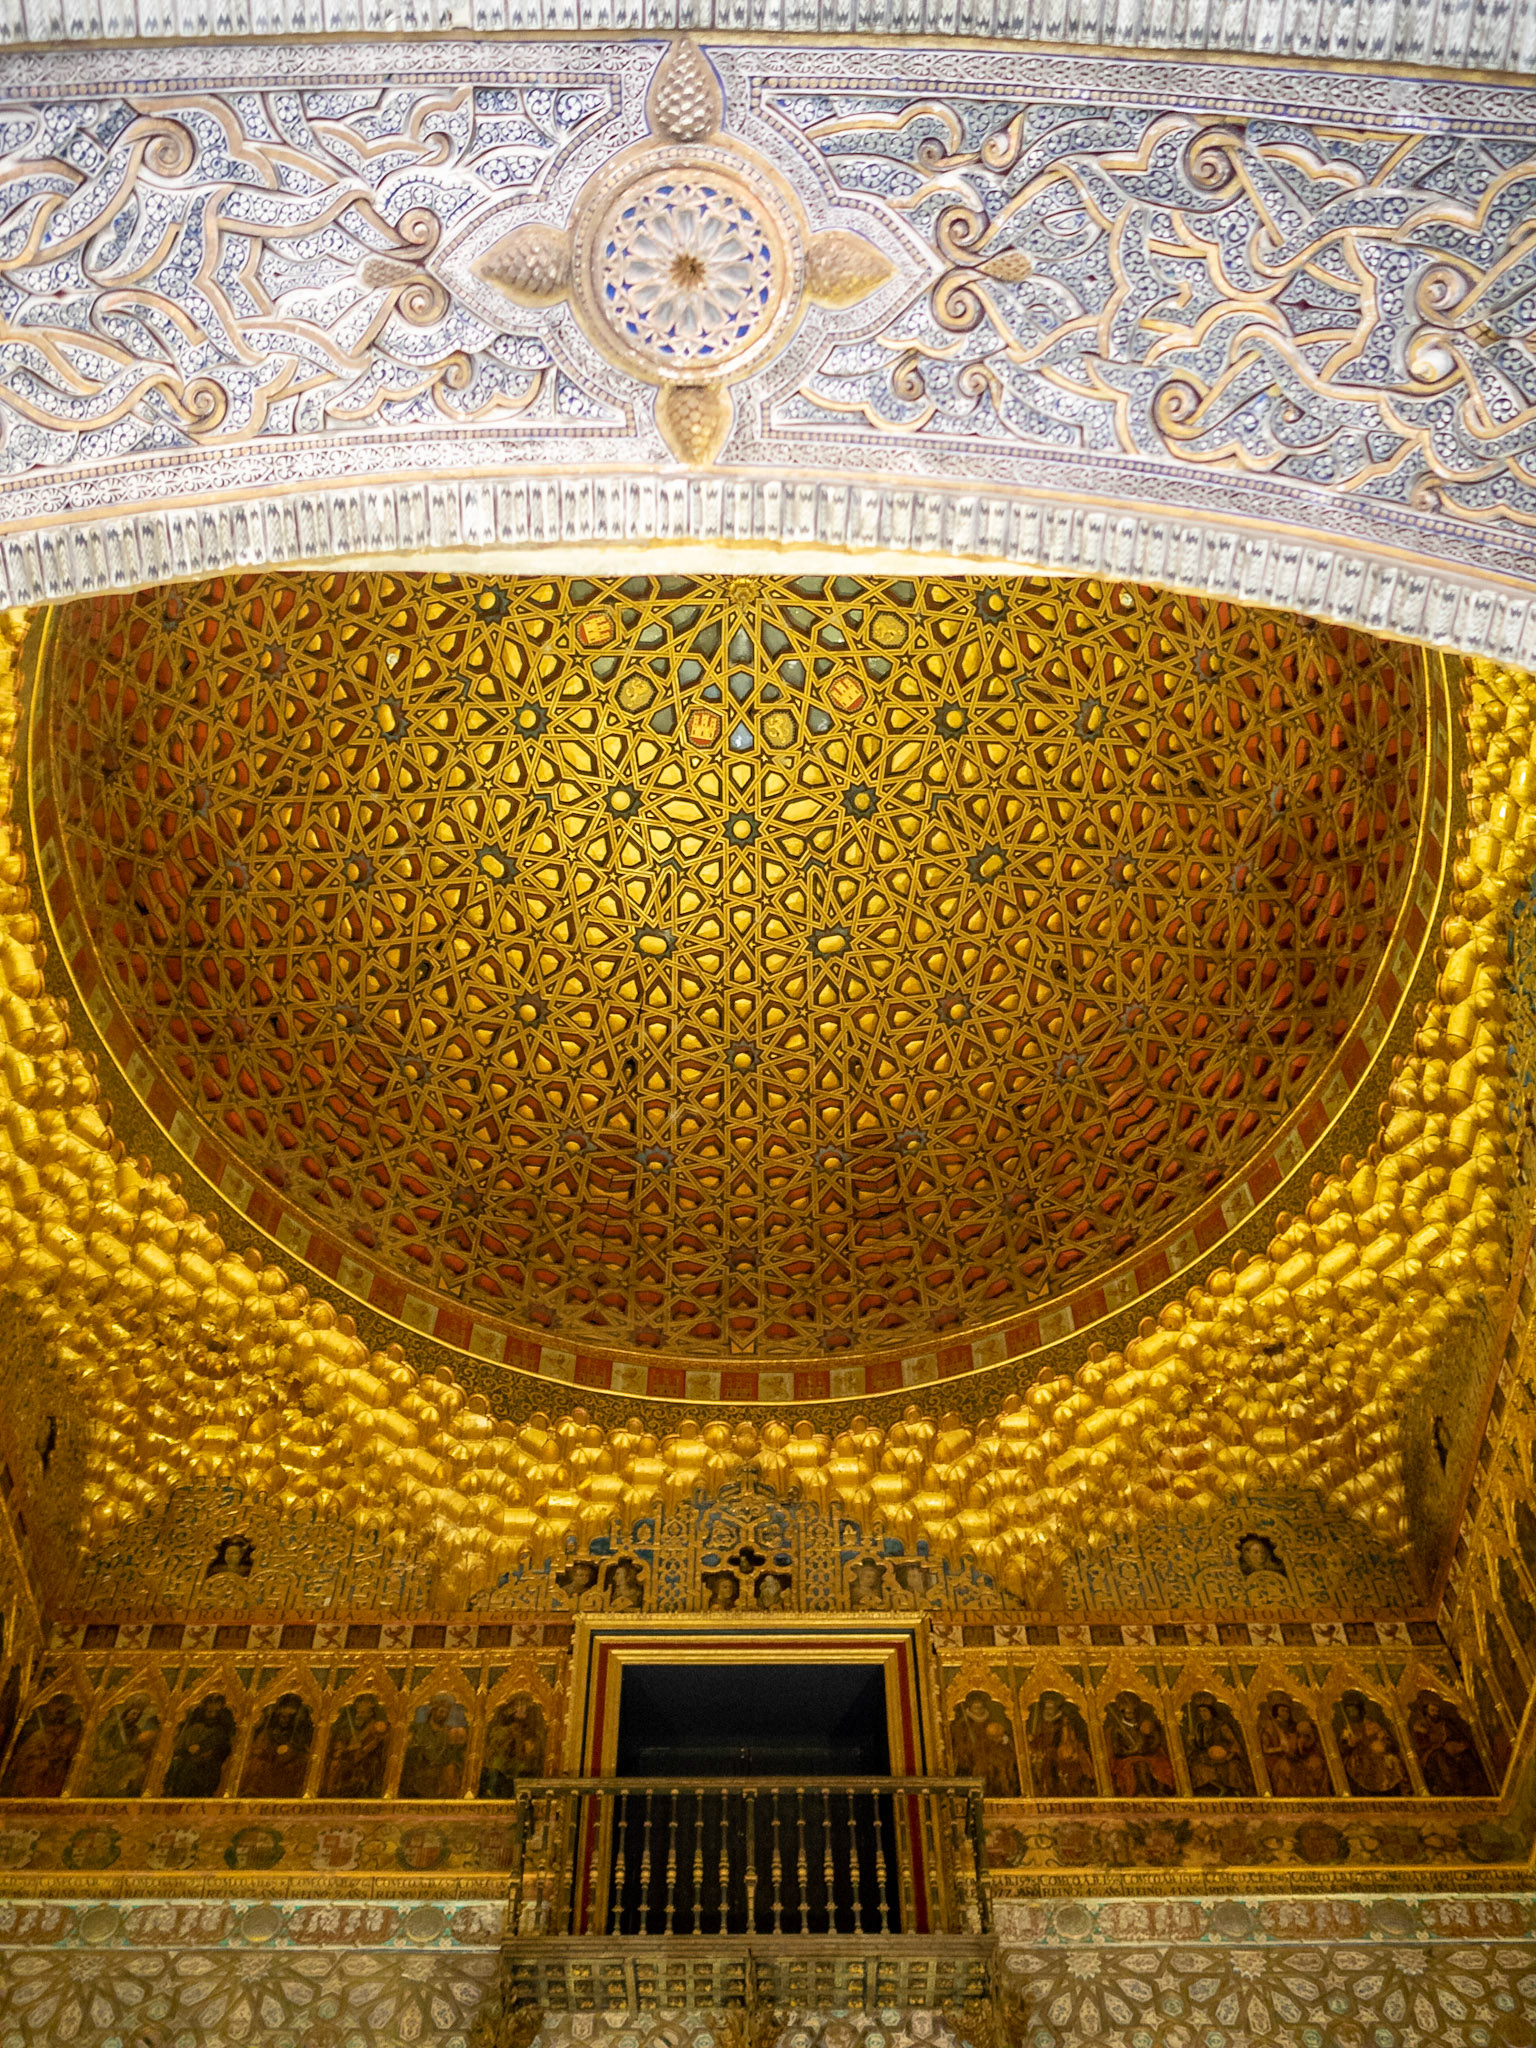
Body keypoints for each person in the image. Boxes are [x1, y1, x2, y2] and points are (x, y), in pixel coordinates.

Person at [238, 1694, 314, 1799]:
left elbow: (304, 1751)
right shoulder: (268, 1733)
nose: (285, 1720)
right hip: (269, 1765)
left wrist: (291, 1753)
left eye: (289, 1718)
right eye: (283, 1716)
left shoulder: (298, 1736)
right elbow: (258, 1749)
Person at [1103, 1693, 1176, 1799]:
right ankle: (1144, 1791)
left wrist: (1146, 1747)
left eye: (1133, 1712)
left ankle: (1161, 1790)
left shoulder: (1143, 1724)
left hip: (1147, 1754)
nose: (1132, 1715)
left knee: (1162, 1763)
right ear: (1123, 1713)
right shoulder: (1118, 1729)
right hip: (1127, 1758)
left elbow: (1155, 1742)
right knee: (1140, 1764)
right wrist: (1132, 1751)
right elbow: (1117, 1750)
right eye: (1129, 1713)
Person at [163, 1694, 236, 1799]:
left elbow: (224, 1750)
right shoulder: (194, 1729)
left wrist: (208, 1752)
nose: (212, 1715)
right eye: (209, 1712)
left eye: (215, 1712)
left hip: (207, 1767)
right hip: (188, 1765)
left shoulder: (220, 1732)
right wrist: (188, 1750)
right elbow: (179, 1747)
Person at [950, 1691, 1021, 1797]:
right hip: (973, 1757)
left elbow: (1000, 1736)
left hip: (993, 1752)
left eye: (980, 1708)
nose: (978, 1711)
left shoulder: (991, 1720)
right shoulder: (962, 1725)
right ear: (970, 1708)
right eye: (975, 1708)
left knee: (1004, 1764)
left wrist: (1003, 1739)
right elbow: (960, 1746)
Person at [1026, 1693, 1096, 1798]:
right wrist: (1033, 1740)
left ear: (1055, 1708)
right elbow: (1040, 1738)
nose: (1048, 1710)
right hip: (1046, 1752)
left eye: (1050, 1707)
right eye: (1046, 1707)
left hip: (1062, 1751)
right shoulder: (1042, 1722)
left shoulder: (1064, 1722)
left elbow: (1069, 1738)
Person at [398, 1695, 468, 1799]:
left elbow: (451, 1754)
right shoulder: (419, 1729)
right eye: (441, 1711)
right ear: (433, 1711)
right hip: (419, 1773)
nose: (443, 1715)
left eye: (446, 1713)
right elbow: (407, 1750)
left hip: (438, 1776)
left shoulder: (448, 1732)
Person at [1335, 1697, 1408, 1796]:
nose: (1352, 1713)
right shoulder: (1348, 1729)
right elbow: (1341, 1750)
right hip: (1361, 1760)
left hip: (1380, 1759)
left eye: (1354, 1710)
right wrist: (1350, 1744)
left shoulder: (1374, 1725)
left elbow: (1391, 1744)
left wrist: (1383, 1745)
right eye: (1349, 1711)